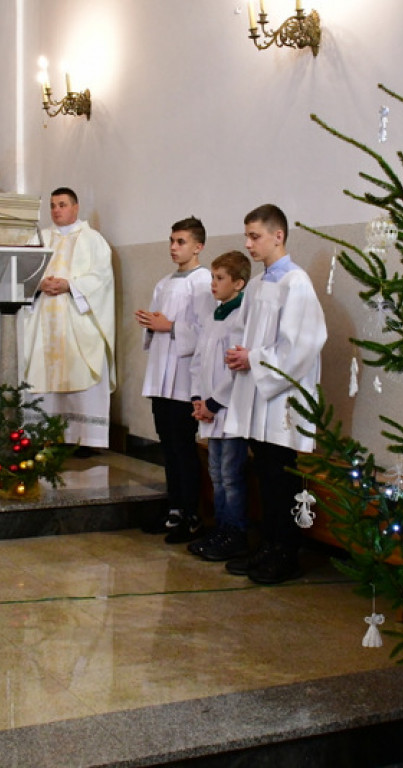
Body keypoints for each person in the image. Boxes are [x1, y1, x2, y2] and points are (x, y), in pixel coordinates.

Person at [223, 204, 326, 585]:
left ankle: (285, 552)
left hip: (281, 398)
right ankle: (267, 545)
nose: (248, 243)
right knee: (264, 473)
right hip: (258, 394)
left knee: (281, 476)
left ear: (278, 236)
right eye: (247, 236)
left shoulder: (295, 282)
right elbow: (248, 333)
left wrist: (256, 359)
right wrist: (240, 354)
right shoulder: (258, 284)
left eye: (255, 236)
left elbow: (303, 343)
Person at [136, 217, 213, 542]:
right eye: (171, 240)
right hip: (161, 374)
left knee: (183, 448)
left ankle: (192, 514)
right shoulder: (165, 283)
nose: (173, 247)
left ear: (198, 246)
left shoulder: (203, 281)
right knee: (168, 447)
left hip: (184, 378)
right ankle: (173, 510)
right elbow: (158, 324)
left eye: (180, 242)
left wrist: (170, 327)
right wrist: (151, 324)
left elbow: (208, 332)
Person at [20, 188, 115, 449]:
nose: (56, 210)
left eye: (62, 204)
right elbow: (22, 275)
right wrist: (39, 285)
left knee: (80, 371)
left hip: (77, 321)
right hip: (43, 320)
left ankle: (84, 440)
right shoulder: (38, 240)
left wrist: (70, 285)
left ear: (75, 207)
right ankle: (43, 436)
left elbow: (102, 279)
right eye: (52, 205)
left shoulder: (93, 239)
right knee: (41, 375)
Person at [187, 250, 252, 561]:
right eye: (212, 277)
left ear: (238, 283)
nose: (213, 283)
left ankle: (236, 533)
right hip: (210, 409)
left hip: (229, 409)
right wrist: (197, 398)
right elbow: (200, 361)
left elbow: (236, 368)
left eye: (220, 278)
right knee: (215, 472)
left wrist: (214, 401)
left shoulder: (240, 317)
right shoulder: (216, 314)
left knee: (230, 474)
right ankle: (221, 529)